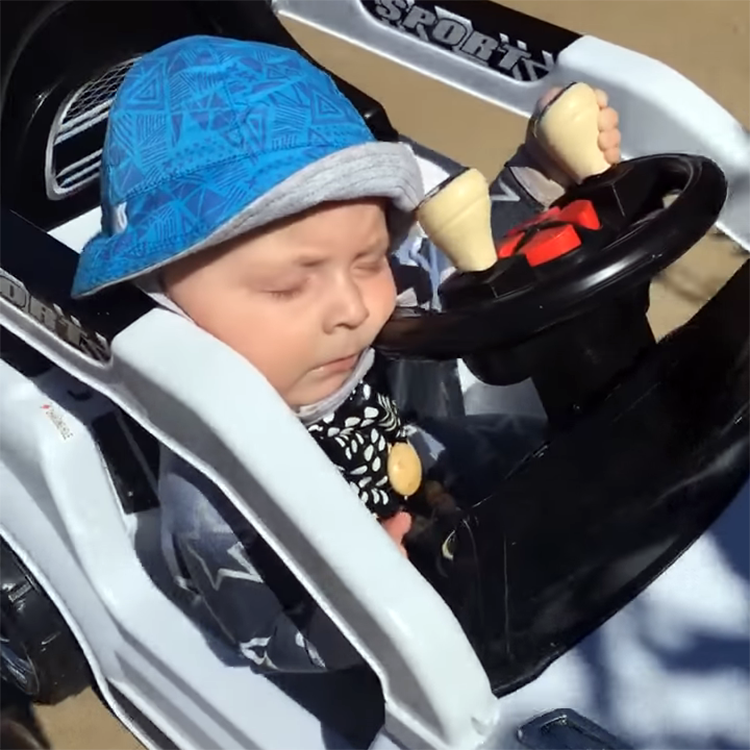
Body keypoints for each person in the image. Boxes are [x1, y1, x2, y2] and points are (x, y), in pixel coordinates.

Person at [71, 35, 621, 676]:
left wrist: (539, 170)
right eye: (287, 285)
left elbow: (460, 265)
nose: (355, 308)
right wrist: (366, 608)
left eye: (368, 259)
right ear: (165, 299)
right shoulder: (213, 494)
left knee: (561, 445)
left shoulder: (361, 322)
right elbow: (267, 638)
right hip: (387, 613)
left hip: (440, 475)